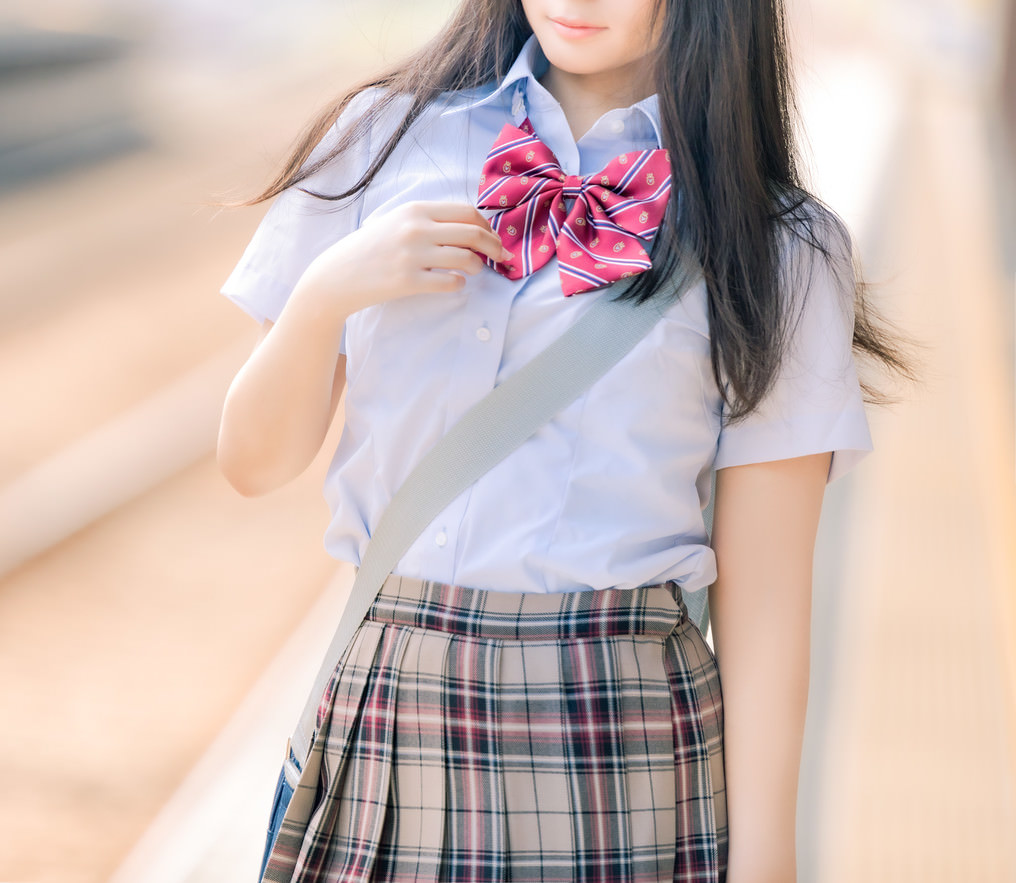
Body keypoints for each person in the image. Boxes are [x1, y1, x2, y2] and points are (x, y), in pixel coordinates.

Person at [214, 0, 920, 881]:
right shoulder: (385, 139)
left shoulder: (780, 244)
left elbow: (769, 593)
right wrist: (324, 296)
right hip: (391, 702)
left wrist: (768, 854)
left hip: (618, 729)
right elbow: (252, 462)